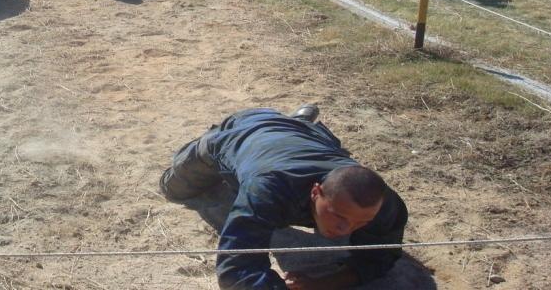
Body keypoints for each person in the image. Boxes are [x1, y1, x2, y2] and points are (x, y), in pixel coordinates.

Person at [160, 106, 408, 290]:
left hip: (311, 139)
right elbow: (237, 270)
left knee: (311, 138)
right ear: (315, 192)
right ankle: (250, 126)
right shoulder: (268, 189)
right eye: (339, 216)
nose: (346, 229)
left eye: (360, 223)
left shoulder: (383, 204)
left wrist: (323, 284)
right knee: (173, 189)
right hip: (241, 132)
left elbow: (379, 258)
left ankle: (297, 123)